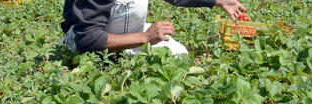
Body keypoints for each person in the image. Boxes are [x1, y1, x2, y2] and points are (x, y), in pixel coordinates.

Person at [61, 0, 246, 55]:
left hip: (127, 32)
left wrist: (219, 2)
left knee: (179, 54)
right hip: (82, 48)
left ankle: (129, 50)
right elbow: (87, 38)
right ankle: (119, 57)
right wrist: (146, 37)